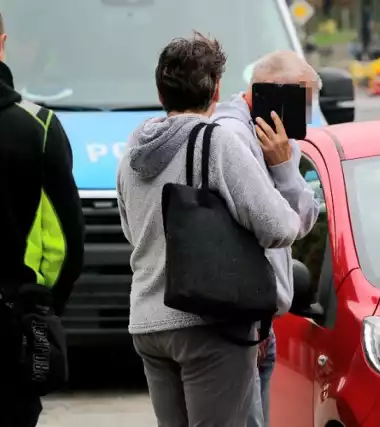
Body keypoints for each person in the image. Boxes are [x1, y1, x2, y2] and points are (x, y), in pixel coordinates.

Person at [116, 34, 301, 427]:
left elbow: (132, 230)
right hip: (206, 323)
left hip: (148, 324)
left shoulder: (132, 149)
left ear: (159, 89)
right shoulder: (216, 142)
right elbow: (280, 227)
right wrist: (283, 166)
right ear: (217, 88)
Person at [212, 50, 321, 427]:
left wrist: (284, 165)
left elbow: (305, 220)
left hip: (261, 321)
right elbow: (273, 229)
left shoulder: (275, 142)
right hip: (240, 319)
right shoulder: (232, 138)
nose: (305, 117)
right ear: (274, 94)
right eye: (302, 102)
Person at [0, 12, 84, 427]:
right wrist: (43, 307)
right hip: (11, 322)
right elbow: (66, 245)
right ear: (2, 43)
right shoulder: (39, 126)